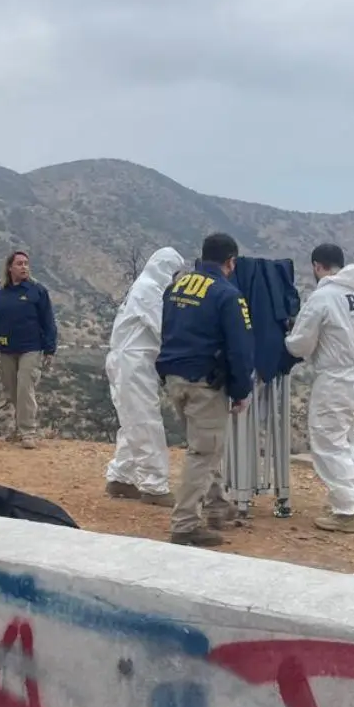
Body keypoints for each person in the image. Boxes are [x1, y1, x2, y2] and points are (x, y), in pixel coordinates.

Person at [156, 233, 255, 548]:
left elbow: (167, 330)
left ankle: (216, 506)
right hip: (205, 383)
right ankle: (185, 525)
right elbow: (240, 349)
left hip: (174, 378)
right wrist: (241, 389)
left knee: (203, 447)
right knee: (204, 452)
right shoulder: (227, 294)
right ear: (231, 262)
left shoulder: (176, 287)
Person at [285, 243, 354, 534]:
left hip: (340, 378)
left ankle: (348, 512)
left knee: (328, 440)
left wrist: (286, 339)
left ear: (317, 266)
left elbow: (301, 345)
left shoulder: (323, 297)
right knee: (347, 438)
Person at [104, 247, 187, 507]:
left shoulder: (142, 287)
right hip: (134, 362)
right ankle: (154, 486)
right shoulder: (150, 290)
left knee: (132, 421)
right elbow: (164, 329)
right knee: (145, 422)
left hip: (129, 361)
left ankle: (121, 476)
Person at [0, 250, 57, 448]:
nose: (24, 267)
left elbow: (48, 321)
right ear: (10, 268)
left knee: (25, 387)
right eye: (19, 264)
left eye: (26, 263)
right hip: (6, 347)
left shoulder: (37, 291)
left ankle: (28, 432)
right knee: (12, 390)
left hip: (31, 347)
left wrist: (50, 349)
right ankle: (18, 428)